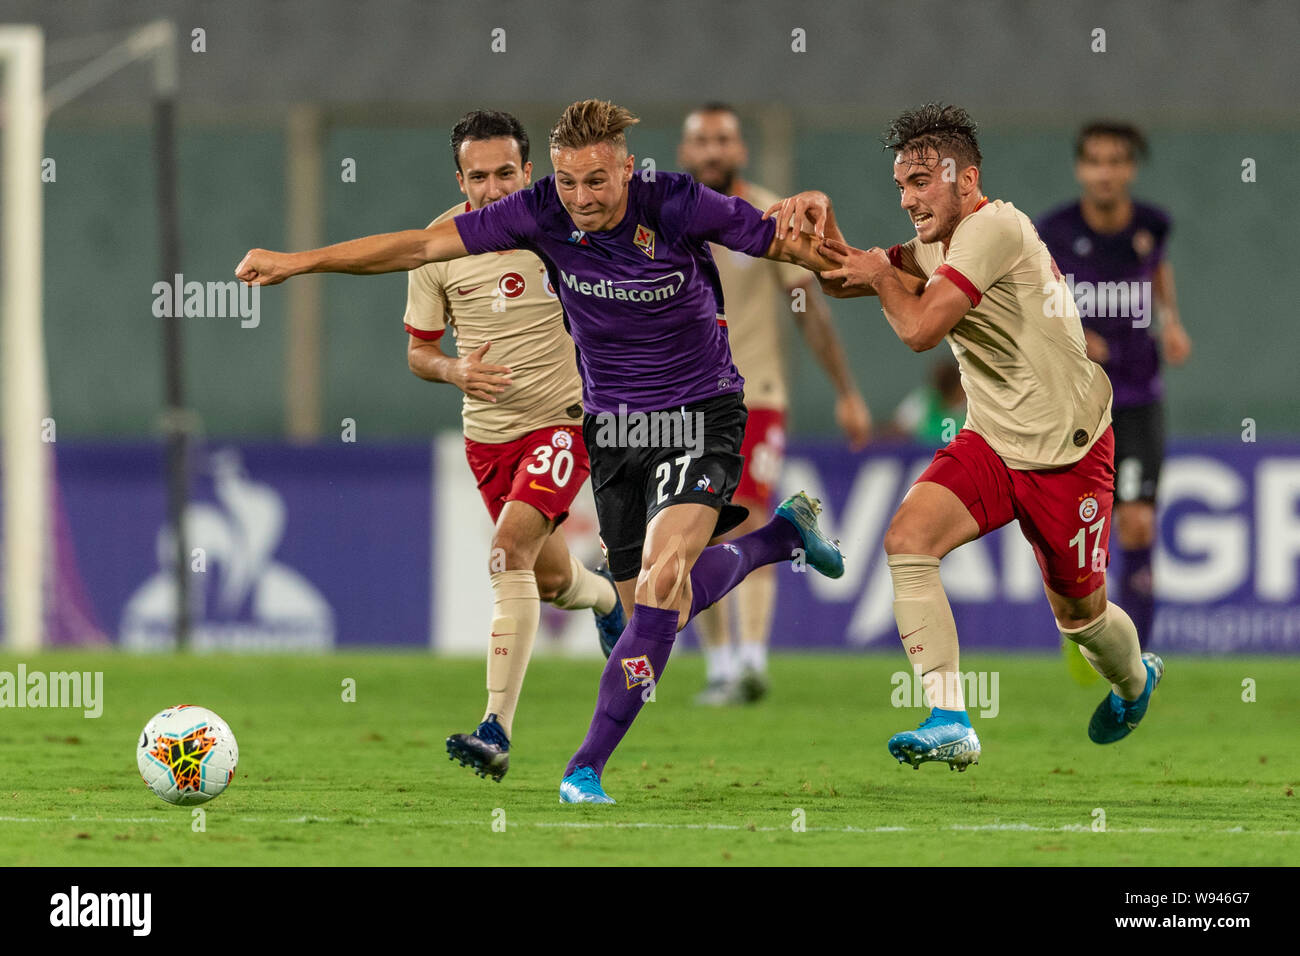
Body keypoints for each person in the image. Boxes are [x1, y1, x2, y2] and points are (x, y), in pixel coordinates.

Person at [235, 99, 846, 804]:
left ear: (625, 168)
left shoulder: (674, 202)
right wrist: (297, 262)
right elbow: (416, 249)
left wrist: (857, 243)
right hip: (613, 431)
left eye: (596, 181)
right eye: (568, 183)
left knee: (648, 582)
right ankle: (777, 538)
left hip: (697, 413)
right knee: (658, 613)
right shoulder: (534, 215)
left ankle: (577, 767)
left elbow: (786, 242)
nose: (581, 199)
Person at [770, 103, 1164, 769]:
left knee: (1084, 619)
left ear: (967, 177)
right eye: (901, 185)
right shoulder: (934, 245)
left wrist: (874, 274)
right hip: (992, 440)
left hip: (1068, 451)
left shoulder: (996, 227)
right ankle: (951, 717)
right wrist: (819, 241)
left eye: (921, 181)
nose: (908, 198)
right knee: (907, 540)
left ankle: (1136, 680)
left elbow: (919, 327)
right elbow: (853, 277)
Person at [403, 110, 626, 783]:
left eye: (507, 172)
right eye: (479, 176)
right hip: (487, 440)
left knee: (507, 554)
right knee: (551, 579)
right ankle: (610, 601)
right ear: (460, 179)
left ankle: (495, 727)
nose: (494, 188)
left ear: (529, 172)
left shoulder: (564, 227)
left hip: (561, 423)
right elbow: (419, 352)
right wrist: (453, 370)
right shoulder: (439, 246)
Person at [677, 103, 871, 706]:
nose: (712, 151)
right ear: (685, 154)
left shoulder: (768, 216)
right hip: (680, 397)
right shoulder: (664, 218)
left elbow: (810, 310)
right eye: (702, 141)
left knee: (748, 510)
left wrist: (846, 392)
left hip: (754, 393)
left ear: (740, 151)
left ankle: (753, 660)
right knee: (691, 527)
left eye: (723, 140)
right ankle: (718, 665)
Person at [1036, 121, 1191, 662]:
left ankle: (1136, 658)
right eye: (1095, 161)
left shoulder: (1152, 225)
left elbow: (1157, 271)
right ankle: (1084, 629)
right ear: (1081, 169)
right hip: (1077, 404)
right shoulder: (1052, 231)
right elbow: (1035, 300)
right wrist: (1075, 334)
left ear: (1130, 168)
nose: (1105, 173)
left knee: (1137, 520)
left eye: (1115, 161)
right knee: (1076, 531)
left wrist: (1171, 322)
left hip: (1138, 400)